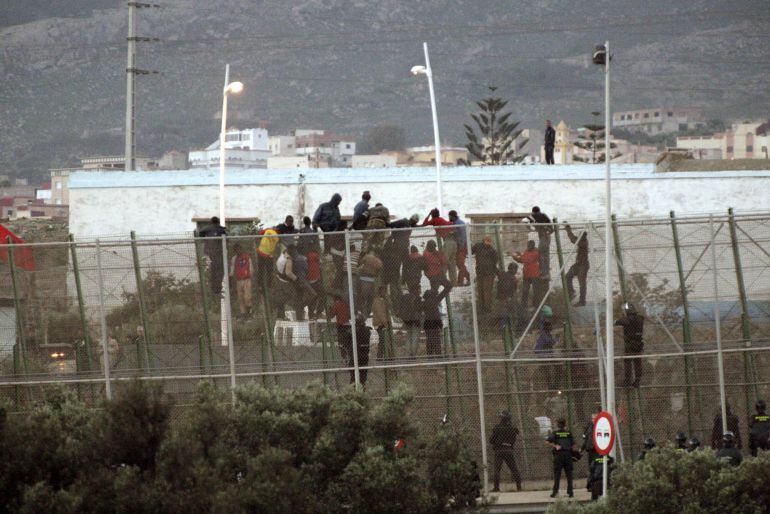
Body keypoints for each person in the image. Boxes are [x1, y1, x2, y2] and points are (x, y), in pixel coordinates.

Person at [423, 208, 458, 286]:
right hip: (454, 241)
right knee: (452, 262)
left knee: (444, 260)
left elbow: (424, 223)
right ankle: (454, 282)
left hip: (448, 241)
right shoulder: (441, 219)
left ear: (432, 215)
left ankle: (442, 279)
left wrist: (428, 215)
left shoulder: (435, 220)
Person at [490, 411, 522, 492]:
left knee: (497, 469)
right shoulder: (513, 428)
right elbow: (513, 440)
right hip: (508, 449)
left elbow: (491, 440)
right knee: (514, 468)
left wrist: (497, 442)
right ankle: (519, 487)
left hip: (499, 450)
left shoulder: (498, 428)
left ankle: (496, 488)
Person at [615, 302, 644, 387]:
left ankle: (627, 381)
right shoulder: (640, 318)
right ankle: (637, 381)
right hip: (639, 344)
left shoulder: (627, 319)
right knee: (637, 362)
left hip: (630, 345)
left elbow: (617, 322)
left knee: (627, 362)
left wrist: (617, 320)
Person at [547, 418, 576, 498]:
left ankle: (555, 492)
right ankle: (570, 492)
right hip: (568, 455)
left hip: (559, 455)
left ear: (558, 424)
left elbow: (547, 441)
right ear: (565, 424)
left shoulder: (555, 433)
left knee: (557, 475)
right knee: (569, 475)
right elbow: (573, 444)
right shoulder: (568, 433)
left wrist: (555, 445)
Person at [198, 216, 226, 297]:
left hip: (210, 253)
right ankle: (217, 289)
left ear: (211, 222)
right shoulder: (220, 229)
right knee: (219, 271)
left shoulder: (207, 229)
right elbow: (225, 237)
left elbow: (201, 233)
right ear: (218, 222)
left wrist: (205, 240)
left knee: (214, 270)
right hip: (217, 252)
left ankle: (214, 289)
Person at [471, 236, 499, 313]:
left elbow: (495, 261)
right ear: (484, 240)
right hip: (480, 272)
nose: (488, 243)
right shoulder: (478, 246)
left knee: (487, 290)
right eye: (487, 241)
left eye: (489, 242)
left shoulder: (492, 251)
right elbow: (471, 251)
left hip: (489, 273)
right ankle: (482, 307)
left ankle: (487, 308)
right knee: (480, 290)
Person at [564, 223, 589, 306]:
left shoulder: (584, 242)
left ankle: (582, 301)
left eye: (581, 235)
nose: (579, 236)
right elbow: (573, 239)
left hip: (583, 265)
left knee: (582, 283)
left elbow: (573, 240)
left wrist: (568, 230)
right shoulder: (581, 241)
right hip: (578, 264)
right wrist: (568, 230)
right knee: (567, 276)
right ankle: (571, 292)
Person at [422, 285, 450, 356]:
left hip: (427, 323)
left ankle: (430, 355)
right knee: (437, 339)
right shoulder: (434, 302)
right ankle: (438, 354)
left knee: (429, 339)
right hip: (435, 322)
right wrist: (440, 325)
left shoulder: (424, 303)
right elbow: (436, 314)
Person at [512, 240, 540, 309]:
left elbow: (525, 259)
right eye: (528, 245)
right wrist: (515, 256)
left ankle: (535, 306)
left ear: (533, 246)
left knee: (535, 291)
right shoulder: (526, 251)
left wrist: (518, 255)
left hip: (534, 274)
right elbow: (521, 260)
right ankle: (524, 305)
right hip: (527, 274)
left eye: (529, 245)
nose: (528, 246)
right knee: (525, 291)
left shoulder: (536, 252)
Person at [356, 247, 383, 319]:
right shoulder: (379, 262)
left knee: (361, 297)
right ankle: (367, 313)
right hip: (371, 280)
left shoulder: (367, 257)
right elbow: (377, 274)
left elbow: (359, 264)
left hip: (362, 278)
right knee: (370, 298)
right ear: (379, 254)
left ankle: (360, 312)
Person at [229, 243, 254, 317]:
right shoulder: (234, 258)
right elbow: (232, 269)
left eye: (239, 249)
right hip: (239, 280)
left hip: (246, 279)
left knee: (247, 297)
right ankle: (243, 313)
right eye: (236, 250)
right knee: (240, 298)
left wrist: (250, 276)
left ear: (241, 249)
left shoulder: (247, 257)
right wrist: (230, 278)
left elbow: (251, 268)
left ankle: (249, 312)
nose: (238, 251)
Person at [496, 263, 518, 338]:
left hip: (501, 298)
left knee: (503, 314)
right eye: (515, 269)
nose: (516, 271)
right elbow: (512, 289)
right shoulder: (513, 278)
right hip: (508, 298)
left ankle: (503, 329)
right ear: (512, 269)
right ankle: (512, 330)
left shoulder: (503, 275)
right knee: (512, 314)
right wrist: (509, 297)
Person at [530, 207, 553, 280]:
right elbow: (551, 228)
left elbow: (551, 228)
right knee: (545, 255)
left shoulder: (539, 216)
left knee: (541, 254)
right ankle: (546, 273)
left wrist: (546, 231)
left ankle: (544, 272)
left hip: (544, 237)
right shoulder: (541, 216)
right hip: (544, 237)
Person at [399, 288, 423, 357]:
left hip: (407, 321)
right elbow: (419, 309)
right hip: (415, 321)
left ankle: (408, 353)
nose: (420, 291)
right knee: (414, 337)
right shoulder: (417, 298)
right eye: (419, 289)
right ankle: (413, 354)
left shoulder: (405, 298)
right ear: (415, 290)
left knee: (408, 337)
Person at [581, 407, 601, 488]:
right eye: (593, 418)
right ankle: (590, 485)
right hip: (591, 450)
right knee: (591, 467)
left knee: (598, 467)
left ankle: (597, 484)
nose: (594, 420)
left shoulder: (600, 426)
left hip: (598, 450)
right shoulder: (588, 427)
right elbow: (586, 439)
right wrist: (582, 448)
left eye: (595, 418)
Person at [449, 210, 470, 286]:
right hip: (461, 245)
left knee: (460, 263)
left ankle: (460, 281)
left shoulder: (459, 223)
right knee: (460, 264)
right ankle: (469, 278)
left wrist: (461, 245)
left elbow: (463, 236)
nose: (449, 218)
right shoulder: (457, 222)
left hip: (462, 246)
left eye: (450, 216)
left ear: (453, 216)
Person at [536, 319, 558, 390]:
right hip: (543, 355)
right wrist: (556, 340)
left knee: (557, 366)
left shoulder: (548, 334)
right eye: (549, 326)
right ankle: (550, 386)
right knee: (548, 370)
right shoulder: (544, 335)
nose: (551, 327)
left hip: (548, 354)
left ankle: (554, 384)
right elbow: (549, 342)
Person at [256, 227, 279, 291]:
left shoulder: (268, 230)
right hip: (268, 254)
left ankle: (261, 285)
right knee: (269, 270)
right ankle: (268, 285)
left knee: (261, 270)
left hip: (262, 252)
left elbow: (260, 234)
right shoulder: (277, 236)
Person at [372, 286, 392, 360]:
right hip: (380, 323)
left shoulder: (384, 300)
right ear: (380, 292)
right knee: (382, 340)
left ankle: (385, 355)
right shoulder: (377, 301)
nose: (384, 293)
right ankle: (380, 356)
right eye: (383, 291)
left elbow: (390, 305)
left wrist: (387, 298)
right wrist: (385, 324)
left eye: (385, 291)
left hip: (385, 322)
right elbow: (380, 313)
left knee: (384, 340)